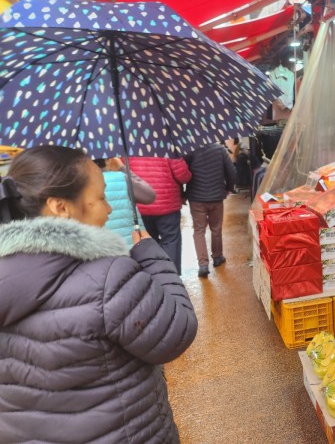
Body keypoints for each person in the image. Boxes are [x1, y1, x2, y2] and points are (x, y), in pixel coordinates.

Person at [0, 146, 198, 443]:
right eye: (100, 198)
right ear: (60, 207)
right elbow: (176, 332)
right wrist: (154, 259)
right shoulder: (107, 278)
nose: (108, 209)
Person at [127, 156, 192, 275]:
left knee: (148, 243)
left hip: (141, 204)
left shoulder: (127, 148)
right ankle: (172, 276)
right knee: (171, 240)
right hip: (168, 204)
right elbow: (183, 175)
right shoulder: (166, 145)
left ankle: (155, 276)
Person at [185, 141, 236, 278]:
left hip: (196, 198)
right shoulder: (220, 150)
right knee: (216, 228)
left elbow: (182, 174)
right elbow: (231, 171)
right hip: (216, 197)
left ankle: (203, 264)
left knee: (199, 231)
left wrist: (182, 193)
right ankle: (218, 257)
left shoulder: (189, 150)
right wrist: (229, 187)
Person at [96, 157, 156, 247]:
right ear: (108, 161)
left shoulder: (82, 183)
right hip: (131, 245)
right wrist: (122, 168)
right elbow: (149, 196)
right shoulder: (121, 177)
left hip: (102, 246)